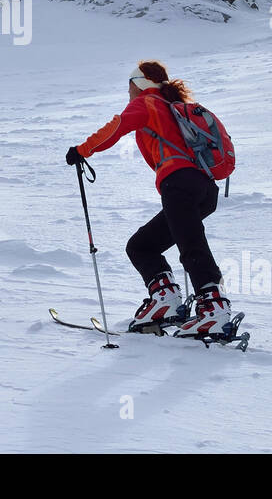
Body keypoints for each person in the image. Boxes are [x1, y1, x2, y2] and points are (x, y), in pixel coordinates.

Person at [65, 60, 233, 336]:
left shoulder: (147, 102)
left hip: (179, 183)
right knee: (142, 246)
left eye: (129, 86)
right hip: (203, 188)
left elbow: (116, 127)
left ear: (139, 84)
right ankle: (166, 301)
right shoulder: (169, 105)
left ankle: (213, 310)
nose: (128, 93)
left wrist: (82, 150)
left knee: (191, 246)